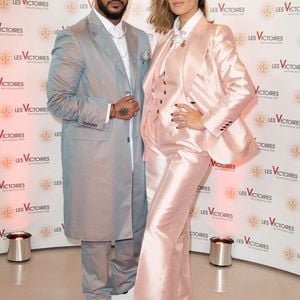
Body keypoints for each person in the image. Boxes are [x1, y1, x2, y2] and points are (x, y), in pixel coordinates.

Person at [133, 0, 258, 299]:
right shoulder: (166, 39)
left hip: (190, 148)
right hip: (157, 146)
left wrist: (206, 120)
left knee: (159, 229)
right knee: (174, 233)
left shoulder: (215, 34)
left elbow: (242, 86)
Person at [47, 1, 150, 299]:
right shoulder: (74, 37)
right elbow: (57, 100)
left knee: (134, 229)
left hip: (136, 155)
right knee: (97, 237)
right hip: (96, 157)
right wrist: (109, 110)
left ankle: (124, 290)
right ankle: (97, 294)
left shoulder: (140, 38)